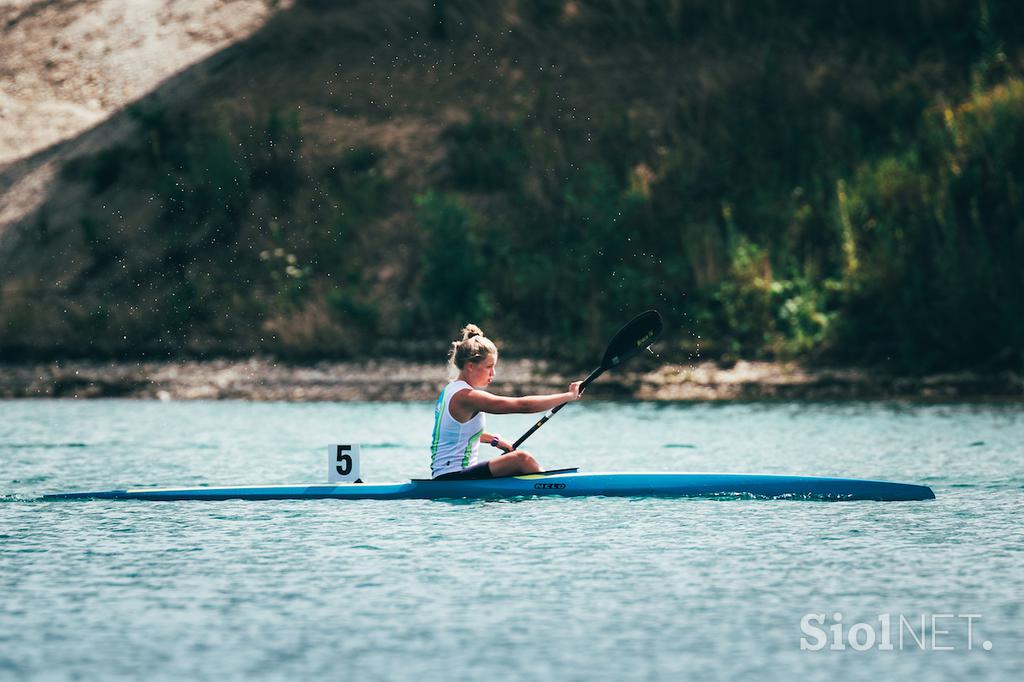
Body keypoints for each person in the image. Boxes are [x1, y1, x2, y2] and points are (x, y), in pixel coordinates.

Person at [430, 324, 582, 480]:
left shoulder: (450, 389)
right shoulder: (466, 396)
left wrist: (496, 441)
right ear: (470, 366)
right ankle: (554, 488)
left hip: (447, 475)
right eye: (489, 366)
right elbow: (523, 405)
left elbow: (458, 433)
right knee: (522, 459)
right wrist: (568, 396)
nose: (493, 373)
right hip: (452, 478)